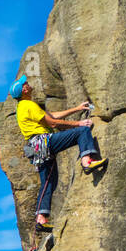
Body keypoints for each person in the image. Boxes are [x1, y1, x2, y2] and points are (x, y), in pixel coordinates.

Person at [9, 75, 106, 231]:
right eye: (25, 83)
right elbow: (53, 122)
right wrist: (79, 123)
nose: (27, 83)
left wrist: (77, 108)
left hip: (36, 149)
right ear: (24, 90)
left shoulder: (22, 107)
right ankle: (87, 161)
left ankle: (41, 218)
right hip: (43, 142)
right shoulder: (28, 104)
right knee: (81, 132)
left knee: (48, 181)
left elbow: (52, 116)